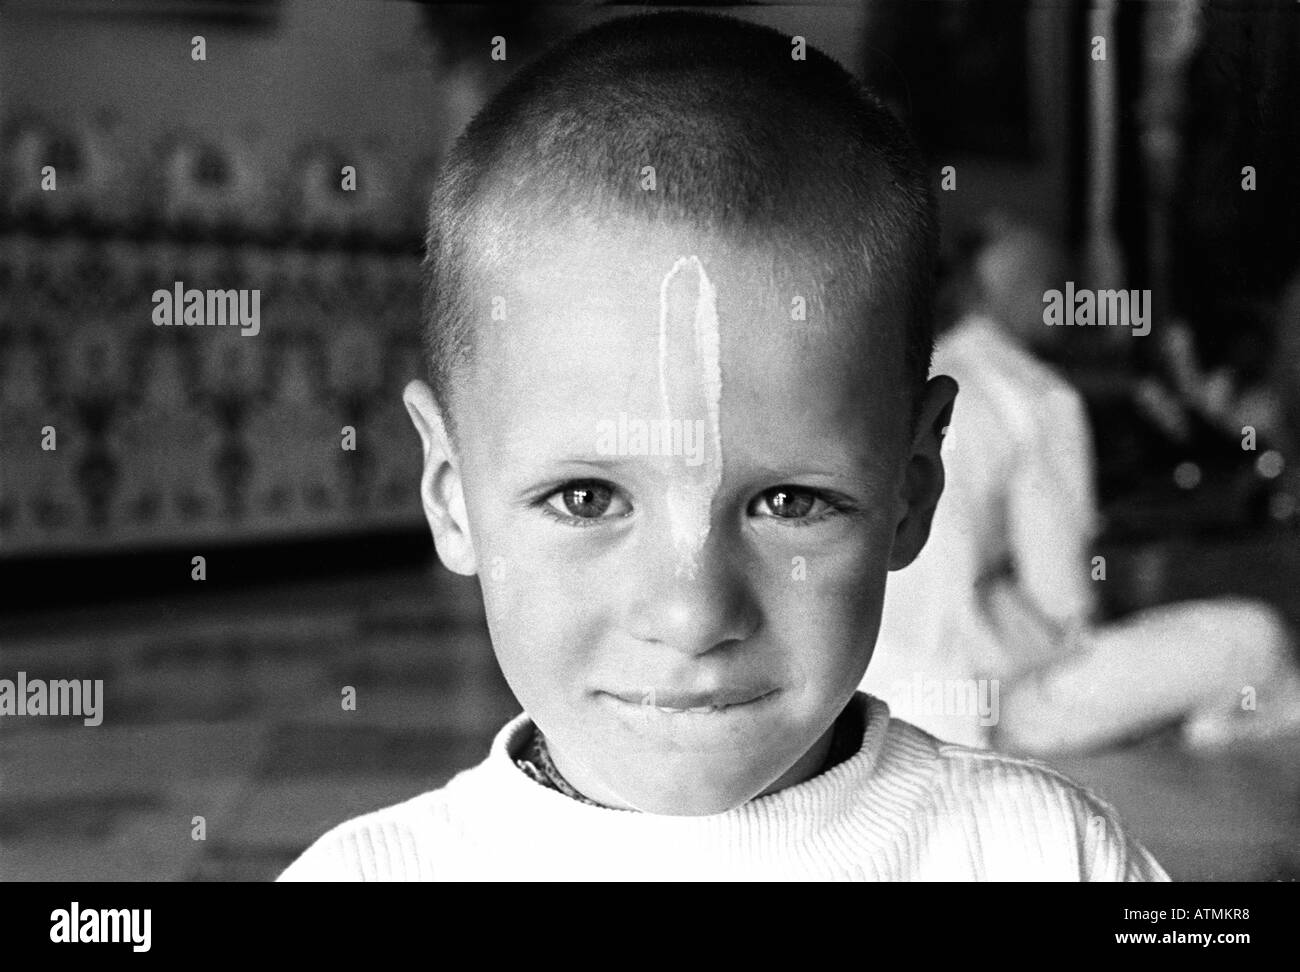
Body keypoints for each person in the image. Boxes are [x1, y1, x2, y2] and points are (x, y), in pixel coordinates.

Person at [280, 12, 1165, 881]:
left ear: (913, 485)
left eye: (789, 502)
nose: (692, 615)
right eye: (587, 498)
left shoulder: (1047, 855)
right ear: (450, 493)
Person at [863, 220, 1300, 754]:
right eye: (1061, 290)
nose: (1073, 307)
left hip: (870, 699)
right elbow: (1063, 600)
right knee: (1255, 635)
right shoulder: (1037, 394)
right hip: (986, 714)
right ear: (1031, 294)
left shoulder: (900, 380)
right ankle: (1202, 724)